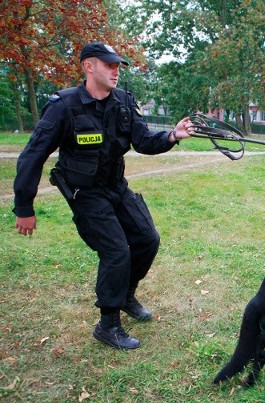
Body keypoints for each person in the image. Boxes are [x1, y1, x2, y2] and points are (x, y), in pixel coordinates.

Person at [13, 42, 194, 350]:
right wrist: (24, 206)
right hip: (84, 192)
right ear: (88, 66)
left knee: (147, 238)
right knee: (116, 251)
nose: (115, 71)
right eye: (109, 65)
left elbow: (144, 141)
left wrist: (172, 135)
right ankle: (107, 325)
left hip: (115, 186)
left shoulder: (124, 102)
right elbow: (33, 155)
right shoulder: (63, 107)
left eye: (117, 66)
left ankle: (125, 295)